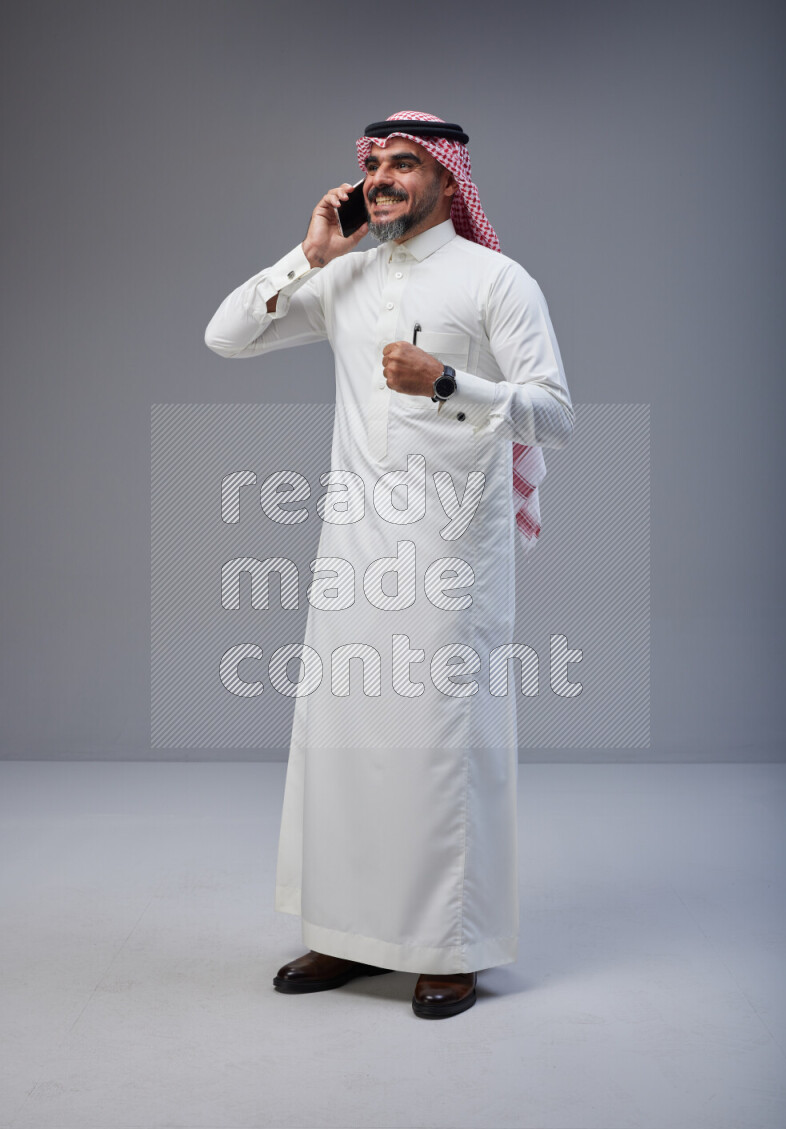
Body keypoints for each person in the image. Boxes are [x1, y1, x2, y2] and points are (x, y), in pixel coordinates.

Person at [205, 111, 574, 1019]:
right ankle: (345, 933)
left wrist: (448, 382)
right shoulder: (344, 277)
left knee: (440, 748)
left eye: (405, 163)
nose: (383, 177)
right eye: (374, 162)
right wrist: (309, 256)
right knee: (345, 745)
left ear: (448, 179)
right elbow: (225, 336)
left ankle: (450, 947)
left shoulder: (496, 279)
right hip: (353, 551)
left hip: (453, 553)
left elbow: (555, 414)